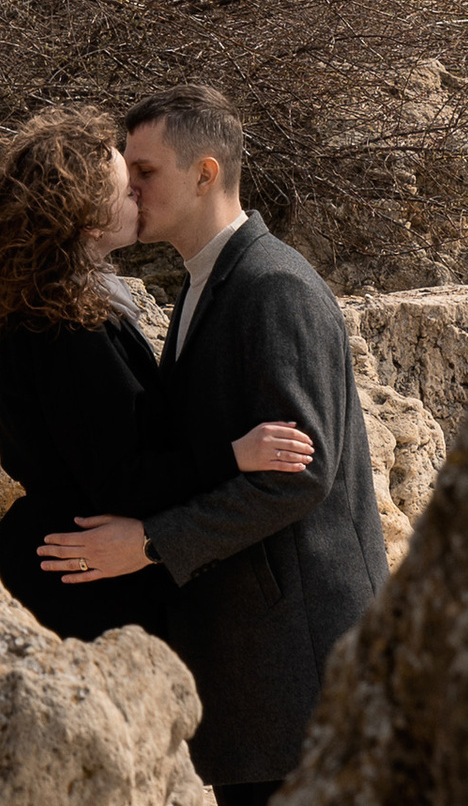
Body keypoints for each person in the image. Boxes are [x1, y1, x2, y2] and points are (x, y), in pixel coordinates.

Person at [38, 86, 387, 806]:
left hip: (302, 670)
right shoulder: (207, 284)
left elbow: (300, 475)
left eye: (145, 172)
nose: (128, 189)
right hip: (257, 671)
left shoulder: (274, 287)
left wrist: (152, 543)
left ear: (205, 173)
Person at [0, 108, 316, 644]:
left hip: (78, 565)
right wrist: (232, 455)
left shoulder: (64, 302)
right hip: (81, 578)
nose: (137, 196)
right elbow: (122, 476)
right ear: (89, 220)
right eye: (126, 190)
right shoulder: (66, 325)